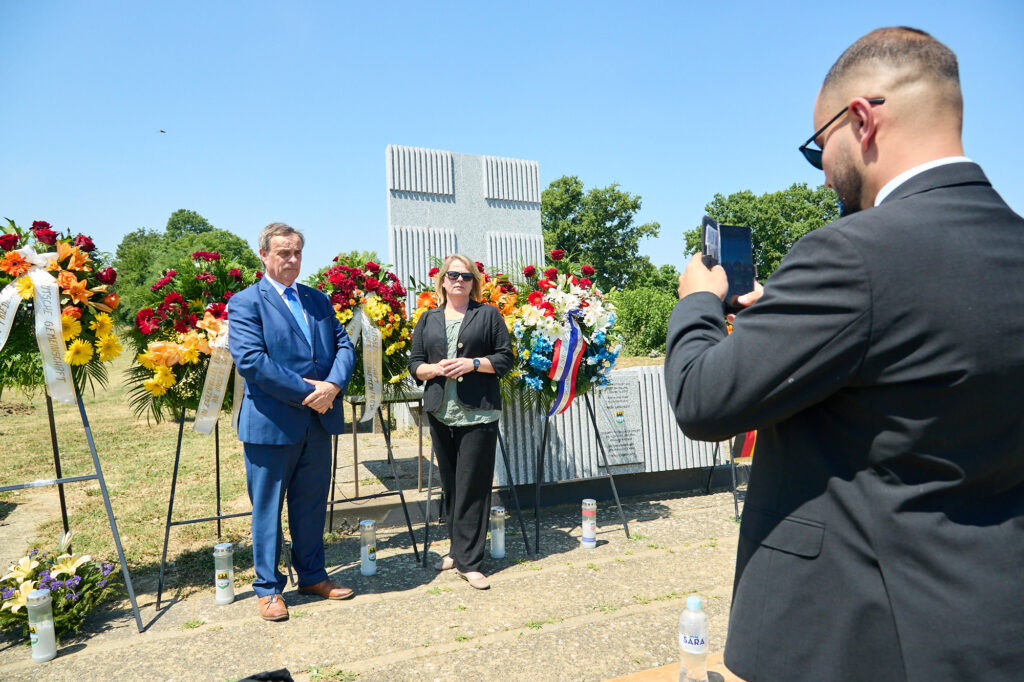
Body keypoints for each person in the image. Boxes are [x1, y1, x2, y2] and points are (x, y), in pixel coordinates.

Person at [664, 27, 1024, 680]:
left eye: (817, 149)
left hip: (859, 641)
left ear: (860, 119)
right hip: (988, 629)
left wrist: (697, 301)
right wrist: (790, 319)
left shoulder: (853, 254)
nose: (824, 172)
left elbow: (701, 398)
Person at [228, 222, 356, 621]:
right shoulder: (246, 302)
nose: (292, 259)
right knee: (267, 508)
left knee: (311, 504)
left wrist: (333, 385)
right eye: (283, 252)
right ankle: (267, 589)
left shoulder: (318, 300)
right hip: (272, 424)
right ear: (263, 255)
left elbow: (343, 345)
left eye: (297, 252)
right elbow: (251, 360)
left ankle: (313, 575)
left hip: (318, 423)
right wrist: (308, 390)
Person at [409, 254, 514, 590]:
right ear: (442, 280)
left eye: (465, 276)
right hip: (441, 411)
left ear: (474, 283)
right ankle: (457, 548)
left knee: (473, 486)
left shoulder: (488, 314)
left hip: (478, 412)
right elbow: (415, 365)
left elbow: (505, 358)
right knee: (452, 484)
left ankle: (470, 562)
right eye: (452, 275)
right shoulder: (427, 319)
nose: (459, 280)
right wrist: (434, 369)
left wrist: (473, 363)